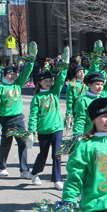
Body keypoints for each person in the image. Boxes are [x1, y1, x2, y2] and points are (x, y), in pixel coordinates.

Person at [0, 42, 37, 178]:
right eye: (10, 74)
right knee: (6, 143)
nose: (13, 76)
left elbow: (27, 71)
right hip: (6, 119)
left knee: (23, 142)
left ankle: (24, 170)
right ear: (5, 75)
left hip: (19, 118)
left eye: (14, 73)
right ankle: (1, 166)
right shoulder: (0, 88)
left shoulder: (18, 84)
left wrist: (32, 59)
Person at [28, 56, 69, 190]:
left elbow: (61, 79)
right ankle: (34, 173)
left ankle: (57, 179)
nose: (49, 82)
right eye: (46, 81)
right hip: (43, 130)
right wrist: (31, 130)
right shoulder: (37, 98)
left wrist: (65, 64)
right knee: (43, 154)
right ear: (39, 82)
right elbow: (33, 115)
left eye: (50, 80)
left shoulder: (54, 92)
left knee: (57, 154)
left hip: (57, 128)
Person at [72, 65, 107, 136]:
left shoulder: (104, 95)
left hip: (105, 135)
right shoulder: (83, 100)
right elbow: (80, 120)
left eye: (102, 84)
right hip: (90, 135)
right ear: (89, 85)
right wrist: (77, 136)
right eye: (97, 84)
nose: (100, 87)